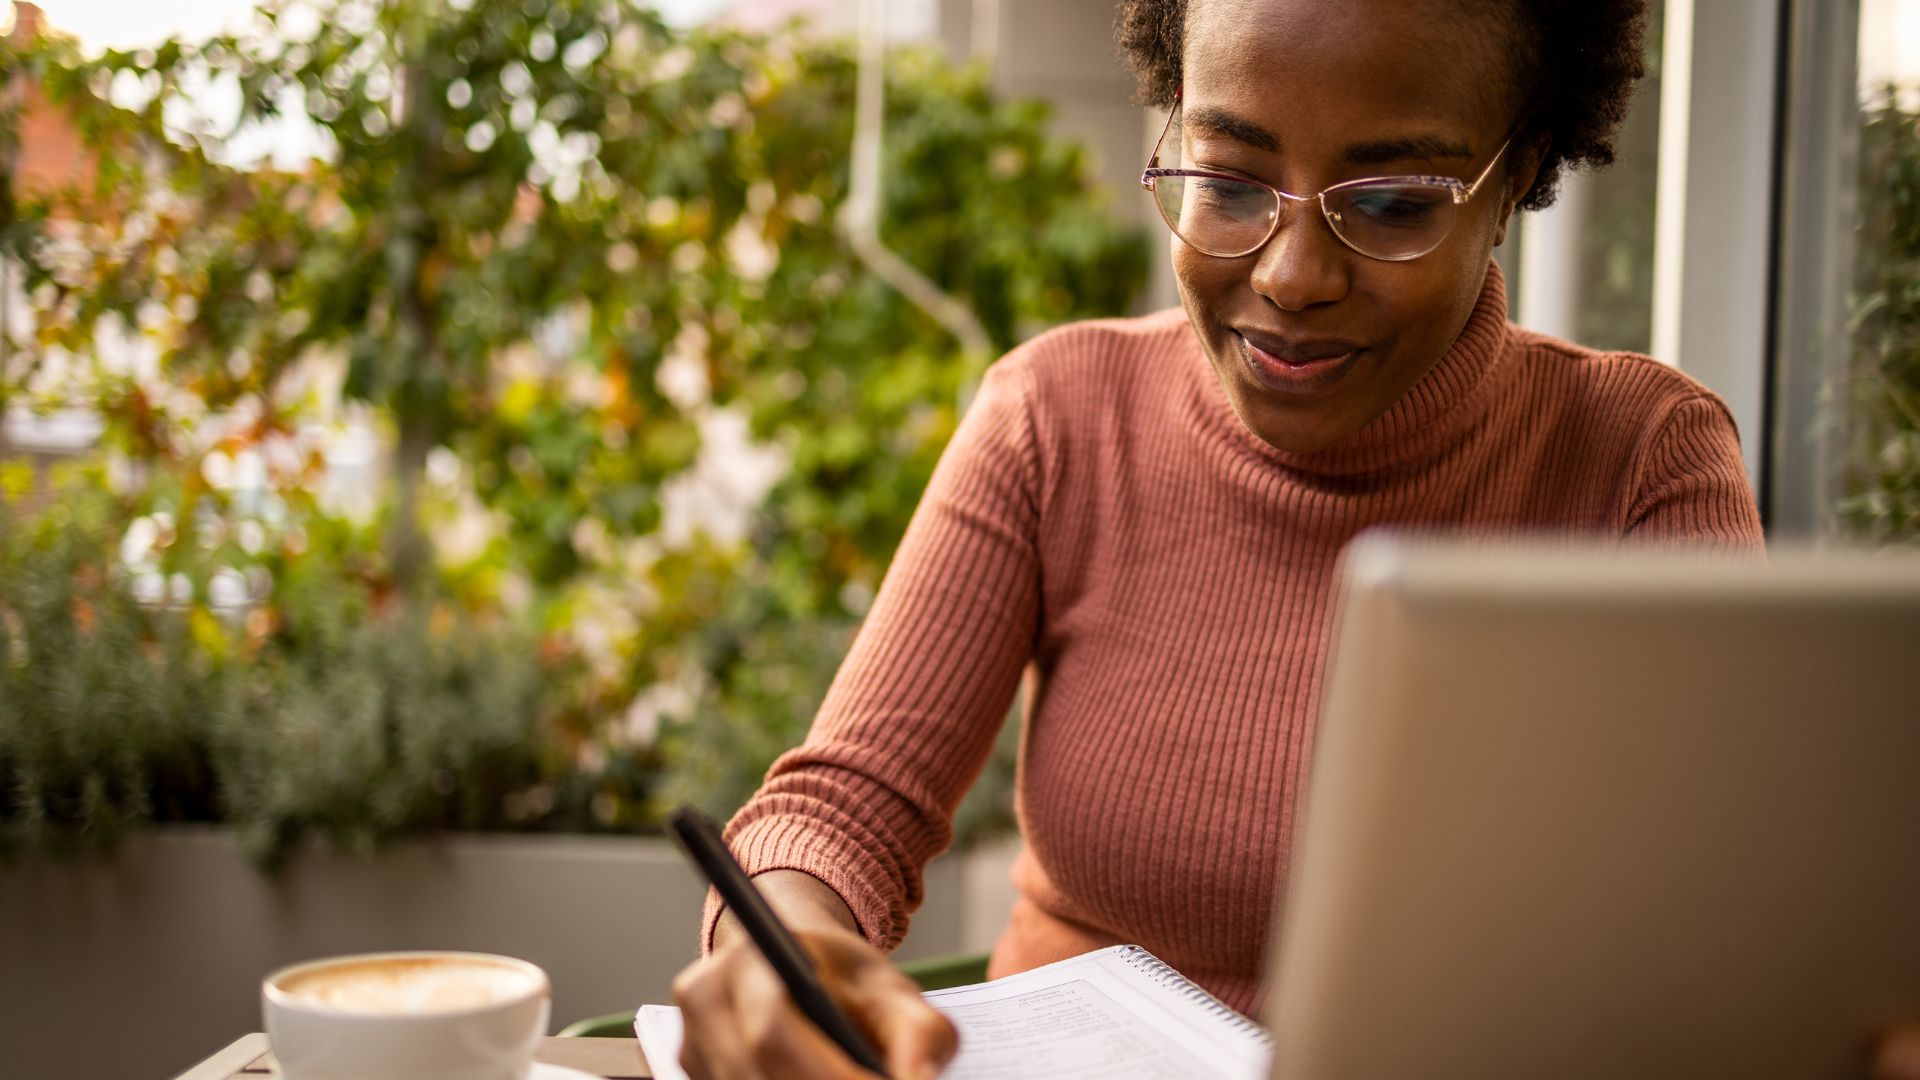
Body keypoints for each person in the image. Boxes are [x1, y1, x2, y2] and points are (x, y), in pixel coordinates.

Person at [667, 2, 1906, 1077]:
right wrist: (795, 944)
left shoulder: (1640, 458)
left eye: (1391, 202)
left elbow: (1744, 933)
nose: (1295, 273)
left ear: (1519, 172)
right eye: (1228, 181)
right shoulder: (1055, 416)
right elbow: (840, 812)